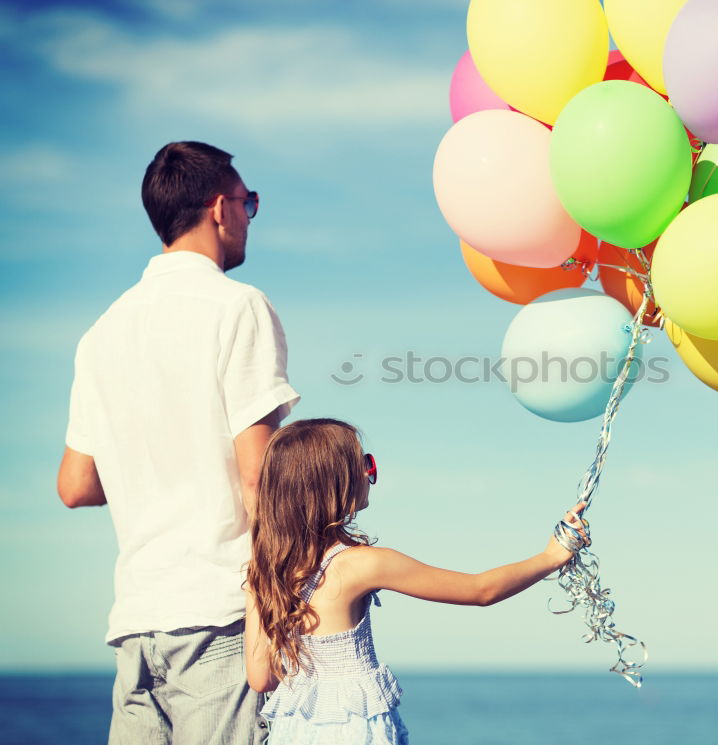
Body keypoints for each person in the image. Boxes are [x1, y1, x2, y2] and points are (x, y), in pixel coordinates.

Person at [56, 141, 300, 744]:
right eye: (249, 202)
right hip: (218, 617)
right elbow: (256, 478)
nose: (249, 216)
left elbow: (75, 485)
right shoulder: (237, 307)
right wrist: (281, 606)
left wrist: (156, 462)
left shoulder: (101, 332)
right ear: (220, 208)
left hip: (138, 625)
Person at [244, 417, 589, 744]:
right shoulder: (362, 564)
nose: (370, 473)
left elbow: (260, 677)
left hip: (295, 729)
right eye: (364, 464)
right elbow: (481, 590)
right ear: (336, 481)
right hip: (354, 729)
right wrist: (551, 556)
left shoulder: (263, 570)